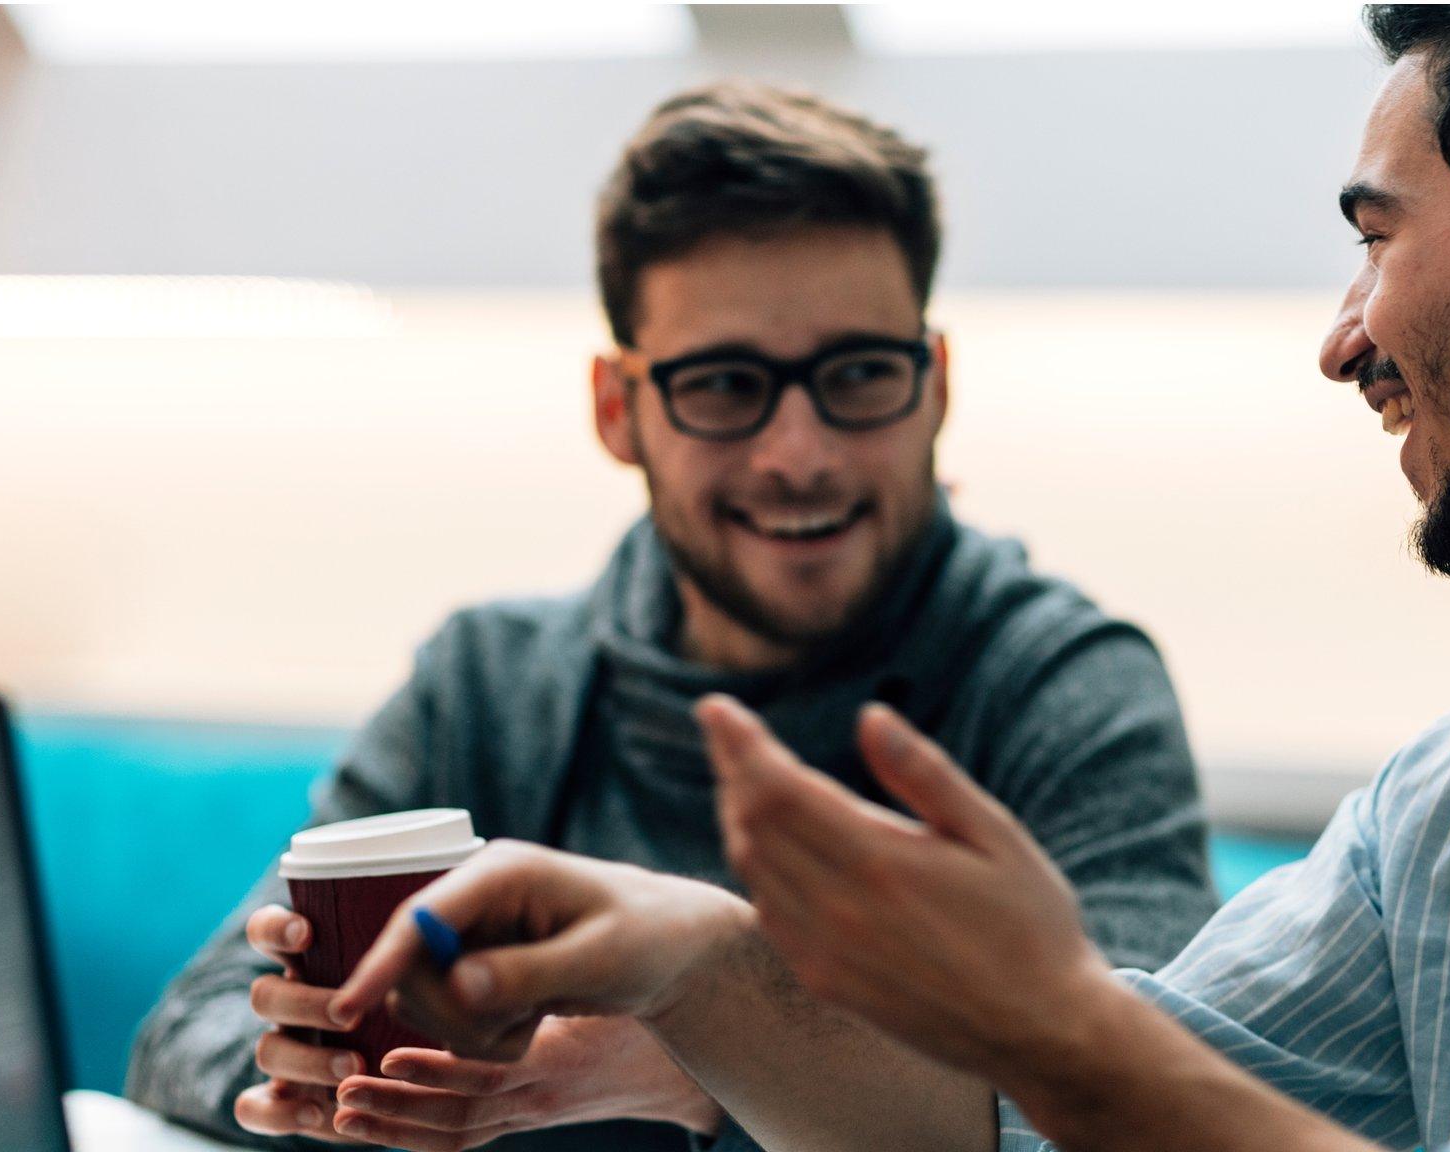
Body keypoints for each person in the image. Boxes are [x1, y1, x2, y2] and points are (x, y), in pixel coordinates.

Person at [329, 8, 1450, 1152]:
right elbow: (1033, 1118)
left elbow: (1087, 1067)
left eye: (1377, 241)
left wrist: (1048, 1017)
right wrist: (696, 962)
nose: (1342, 337)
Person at [125, 81, 1219, 1152]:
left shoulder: (1062, 685)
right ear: (618, 409)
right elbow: (193, 1029)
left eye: (856, 373)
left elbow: (1146, 1090)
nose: (799, 454)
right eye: (725, 386)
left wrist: (709, 1051)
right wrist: (331, 1082)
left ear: (932, 384)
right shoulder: (487, 683)